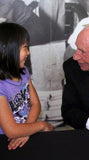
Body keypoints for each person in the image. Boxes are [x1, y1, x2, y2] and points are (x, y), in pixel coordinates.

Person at [0, 22, 54, 150]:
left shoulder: (23, 71)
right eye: (24, 47)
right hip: (7, 142)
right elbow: (11, 131)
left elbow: (35, 103)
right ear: (5, 50)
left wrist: (26, 131)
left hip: (24, 134)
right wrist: (41, 125)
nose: (28, 52)